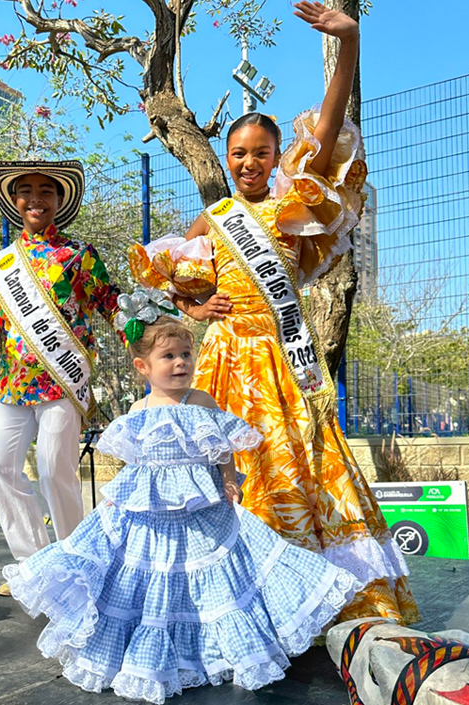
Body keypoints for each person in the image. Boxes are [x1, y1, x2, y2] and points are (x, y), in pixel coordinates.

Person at [145, 2, 417, 624]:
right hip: (222, 364)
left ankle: (308, 597)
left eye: (260, 152)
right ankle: (229, 601)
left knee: (303, 467)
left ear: (275, 155)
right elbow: (173, 284)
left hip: (285, 361)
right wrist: (192, 302)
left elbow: (325, 129)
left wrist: (346, 45)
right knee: (223, 475)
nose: (246, 163)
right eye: (237, 153)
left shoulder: (295, 203)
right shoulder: (212, 221)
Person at [3, 295, 362, 703]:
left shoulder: (202, 402)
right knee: (151, 583)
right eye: (169, 356)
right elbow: (133, 464)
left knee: (212, 582)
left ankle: (215, 653)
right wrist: (119, 502)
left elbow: (223, 449)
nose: (180, 363)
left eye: (186, 354)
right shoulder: (138, 410)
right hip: (152, 519)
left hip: (202, 515)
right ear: (143, 367)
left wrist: (229, 481)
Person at [0, 159, 121, 597]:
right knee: (0, 469)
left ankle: (76, 562)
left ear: (59, 200)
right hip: (13, 386)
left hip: (62, 383)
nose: (35, 199)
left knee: (54, 470)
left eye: (46, 191)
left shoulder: (79, 254)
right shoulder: (1, 264)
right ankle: (35, 565)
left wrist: (143, 330)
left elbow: (109, 303)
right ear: (14, 200)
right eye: (25, 191)